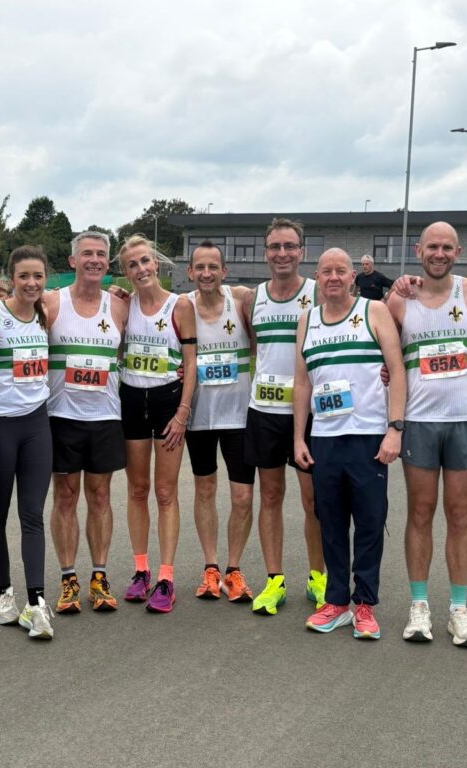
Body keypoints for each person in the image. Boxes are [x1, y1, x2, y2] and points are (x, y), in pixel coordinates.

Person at [385, 223, 467, 647]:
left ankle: (459, 610)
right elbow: (384, 354)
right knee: (420, 512)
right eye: (432, 246)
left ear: (458, 252)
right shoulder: (400, 298)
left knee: (461, 515)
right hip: (419, 420)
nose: (439, 253)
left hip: (465, 418)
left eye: (447, 247)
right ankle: (419, 606)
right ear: (419, 250)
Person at [294, 248, 406, 639]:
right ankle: (337, 601)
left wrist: (395, 429)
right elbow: (303, 383)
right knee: (331, 522)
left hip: (368, 436)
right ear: (317, 278)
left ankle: (365, 605)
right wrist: (298, 437)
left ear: (353, 276)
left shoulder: (373, 311)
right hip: (324, 438)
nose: (333, 277)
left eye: (341, 270)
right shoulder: (307, 320)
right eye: (326, 271)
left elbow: (397, 369)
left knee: (370, 522)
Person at [240, 218, 326, 616]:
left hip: (309, 413)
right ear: (265, 253)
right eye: (275, 246)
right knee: (271, 496)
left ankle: (318, 577)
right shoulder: (252, 298)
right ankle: (274, 580)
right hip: (265, 410)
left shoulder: (318, 292)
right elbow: (251, 345)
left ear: (302, 252)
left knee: (313, 501)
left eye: (290, 246)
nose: (282, 253)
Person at [47, 232, 129, 614]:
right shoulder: (52, 302)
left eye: (101, 254)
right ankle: (68, 579)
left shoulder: (120, 306)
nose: (94, 260)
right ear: (73, 261)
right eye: (87, 254)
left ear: (108, 262)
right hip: (62, 416)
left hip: (105, 416)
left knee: (100, 496)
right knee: (65, 497)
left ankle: (99, 577)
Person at [116, 235, 197, 613]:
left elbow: (191, 363)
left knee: (165, 492)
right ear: (126, 272)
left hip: (168, 402)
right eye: (132, 265)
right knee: (137, 489)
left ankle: (166, 577)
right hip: (132, 400)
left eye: (145, 261)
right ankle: (141, 570)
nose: (141, 269)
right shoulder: (122, 305)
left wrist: (183, 413)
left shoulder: (180, 305)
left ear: (157, 263)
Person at [0, 245, 55, 639]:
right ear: (11, 279)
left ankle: (36, 602)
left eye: (38, 276)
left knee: (32, 514)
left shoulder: (46, 314)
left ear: (46, 279)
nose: (31, 283)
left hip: (36, 426)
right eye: (24, 276)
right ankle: (4, 594)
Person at [185, 241, 257, 602]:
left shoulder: (241, 299)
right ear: (190, 272)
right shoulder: (182, 306)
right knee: (205, 490)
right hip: (199, 415)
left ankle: (234, 569)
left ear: (224, 271)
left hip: (239, 416)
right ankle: (211, 568)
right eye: (200, 267)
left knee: (243, 496)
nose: (206, 273)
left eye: (213, 266)